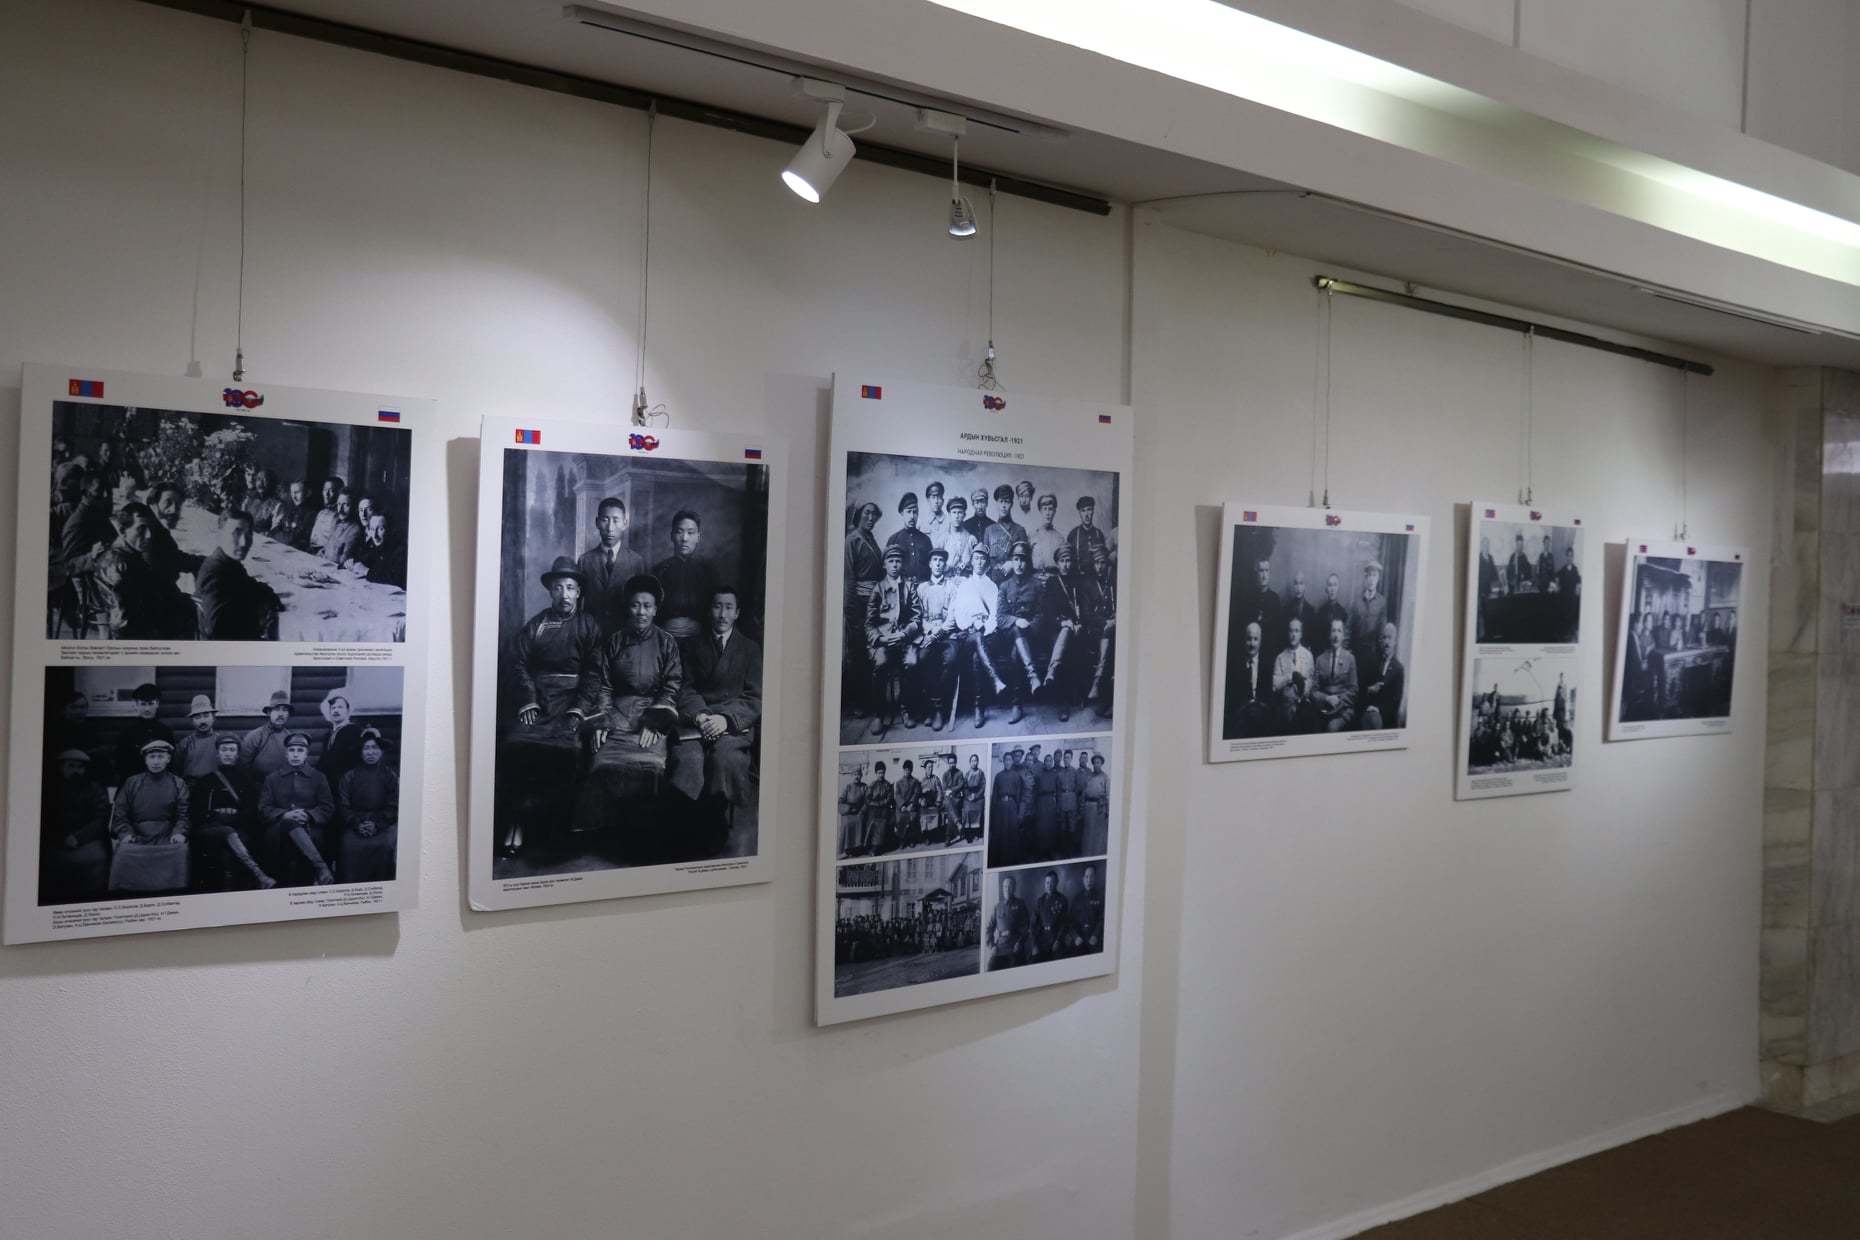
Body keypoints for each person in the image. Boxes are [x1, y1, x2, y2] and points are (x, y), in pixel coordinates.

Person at [572, 574, 685, 830]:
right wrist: (601, 721)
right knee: (602, 764)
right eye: (635, 605)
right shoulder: (614, 641)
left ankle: (643, 831)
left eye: (647, 606)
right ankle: (604, 832)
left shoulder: (667, 642)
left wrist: (655, 722)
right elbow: (604, 686)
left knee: (651, 766)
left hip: (651, 717)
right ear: (628, 607)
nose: (641, 612)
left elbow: (672, 686)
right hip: (617, 716)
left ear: (655, 609)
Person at [673, 585, 762, 847]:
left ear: (737, 613)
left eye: (728, 607)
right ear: (709, 610)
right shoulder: (691, 646)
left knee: (725, 759)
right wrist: (700, 716)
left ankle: (715, 822)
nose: (722, 614)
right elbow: (684, 688)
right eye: (717, 606)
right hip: (696, 721)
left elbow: (755, 696)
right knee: (687, 759)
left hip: (733, 725)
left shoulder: (750, 649)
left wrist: (725, 720)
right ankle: (686, 824)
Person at [83, 504, 190, 639]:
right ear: (123, 530)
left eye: (150, 528)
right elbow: (124, 623)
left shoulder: (127, 555)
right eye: (141, 529)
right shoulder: (121, 565)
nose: (149, 535)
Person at [190, 733, 275, 892]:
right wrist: (217, 816)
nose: (228, 753)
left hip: (238, 827)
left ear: (237, 754)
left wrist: (234, 817)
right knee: (225, 835)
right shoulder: (205, 781)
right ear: (218, 754)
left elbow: (253, 809)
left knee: (236, 847)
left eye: (232, 750)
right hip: (209, 829)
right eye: (224, 750)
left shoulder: (246, 780)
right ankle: (259, 876)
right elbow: (197, 811)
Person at [108, 738, 191, 893]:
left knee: (180, 851)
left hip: (166, 836)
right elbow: (120, 813)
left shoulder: (178, 783)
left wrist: (179, 832)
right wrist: (126, 834)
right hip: (137, 836)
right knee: (124, 852)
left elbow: (183, 814)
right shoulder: (132, 782)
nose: (156, 761)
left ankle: (174, 895)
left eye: (160, 756)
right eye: (152, 757)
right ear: (145, 760)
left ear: (168, 759)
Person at [260, 732, 337, 886]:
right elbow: (264, 807)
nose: (295, 754)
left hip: (310, 828)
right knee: (288, 827)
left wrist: (308, 815)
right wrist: (285, 815)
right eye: (292, 750)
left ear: (306, 754)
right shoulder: (272, 778)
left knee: (303, 875)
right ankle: (321, 868)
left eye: (300, 750)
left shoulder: (318, 777)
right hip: (278, 831)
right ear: (286, 753)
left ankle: (312, 875)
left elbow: (327, 807)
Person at [195, 510, 284, 639]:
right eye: (236, 533)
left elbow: (246, 584)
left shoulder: (228, 563)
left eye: (248, 535)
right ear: (220, 535)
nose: (244, 542)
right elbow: (217, 628)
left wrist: (267, 593)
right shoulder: (214, 572)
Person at [40, 750, 111, 904]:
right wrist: (60, 838)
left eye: (80, 767)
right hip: (56, 841)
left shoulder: (95, 789)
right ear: (61, 767)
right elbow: (43, 819)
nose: (76, 771)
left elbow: (100, 819)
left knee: (98, 858)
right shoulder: (48, 789)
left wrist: (79, 837)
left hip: (87, 840)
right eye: (70, 766)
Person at [865, 544, 919, 734]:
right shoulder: (878, 589)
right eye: (891, 561)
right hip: (884, 640)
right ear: (884, 565)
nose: (895, 565)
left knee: (911, 663)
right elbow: (869, 623)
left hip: (904, 639)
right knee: (880, 663)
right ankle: (879, 714)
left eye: (898, 561)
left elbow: (916, 618)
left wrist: (905, 634)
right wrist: (880, 639)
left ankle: (906, 709)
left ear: (902, 564)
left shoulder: (909, 587)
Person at [1042, 543, 1100, 721]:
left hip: (1078, 627)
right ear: (1057, 563)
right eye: (1062, 561)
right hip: (1058, 629)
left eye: (1068, 561)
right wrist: (1062, 622)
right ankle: (1063, 702)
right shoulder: (1052, 583)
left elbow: (1084, 607)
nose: (1066, 565)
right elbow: (1047, 611)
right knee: (1065, 650)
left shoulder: (1078, 582)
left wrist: (1080, 623)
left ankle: (1079, 694)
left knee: (1080, 648)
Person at [950, 545, 1006, 727]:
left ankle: (978, 707)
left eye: (983, 558)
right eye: (976, 558)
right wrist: (971, 625)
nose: (979, 562)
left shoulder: (992, 586)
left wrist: (985, 628)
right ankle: (995, 679)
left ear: (987, 563)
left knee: (977, 656)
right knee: (975, 641)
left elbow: (995, 615)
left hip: (987, 634)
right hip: (967, 634)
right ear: (971, 561)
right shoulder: (964, 586)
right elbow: (959, 614)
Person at [577, 497, 648, 635]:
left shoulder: (637, 561)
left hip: (625, 635)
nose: (610, 528)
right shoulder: (585, 561)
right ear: (597, 522)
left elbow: (643, 603)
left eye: (616, 520)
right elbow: (578, 604)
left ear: (625, 523)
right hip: (591, 635)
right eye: (605, 520)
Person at [336, 727, 398, 882]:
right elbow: (343, 805)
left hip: (383, 824)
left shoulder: (390, 776)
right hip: (355, 823)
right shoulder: (349, 776)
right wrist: (357, 824)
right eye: (366, 748)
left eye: (375, 748)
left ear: (381, 751)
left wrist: (377, 824)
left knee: (385, 846)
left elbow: (394, 805)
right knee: (348, 846)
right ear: (361, 752)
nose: (371, 752)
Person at [992, 542, 1045, 725]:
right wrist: (1016, 621)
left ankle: (1017, 704)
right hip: (1008, 635)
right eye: (1016, 559)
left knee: (1016, 653)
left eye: (1023, 560)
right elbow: (1000, 618)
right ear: (1012, 561)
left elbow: (1041, 615)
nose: (1019, 564)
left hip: (1030, 635)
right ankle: (1033, 676)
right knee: (1016, 630)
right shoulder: (1004, 586)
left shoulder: (1037, 585)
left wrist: (1028, 625)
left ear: (1027, 562)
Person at [843, 501, 885, 720]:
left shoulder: (870, 538)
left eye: (874, 515)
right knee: (858, 652)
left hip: (873, 602)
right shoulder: (852, 540)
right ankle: (859, 702)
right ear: (859, 514)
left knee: (872, 651)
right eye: (867, 513)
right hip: (858, 604)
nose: (871, 518)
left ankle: (872, 700)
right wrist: (851, 610)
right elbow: (849, 578)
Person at [652, 509, 719, 643]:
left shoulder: (708, 571)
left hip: (700, 640)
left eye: (690, 532)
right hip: (665, 640)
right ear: (672, 535)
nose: (684, 538)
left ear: (698, 537)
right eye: (679, 532)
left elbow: (714, 610)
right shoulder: (659, 570)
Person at [911, 548, 959, 731]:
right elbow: (919, 616)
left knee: (951, 661)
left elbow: (952, 618)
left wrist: (937, 634)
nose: (938, 563)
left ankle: (939, 708)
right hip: (927, 634)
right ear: (930, 564)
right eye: (935, 560)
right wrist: (929, 632)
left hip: (948, 636)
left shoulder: (952, 587)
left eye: (941, 560)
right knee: (923, 659)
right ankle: (933, 706)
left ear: (945, 565)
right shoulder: (921, 588)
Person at [112, 682, 174, 788]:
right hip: (134, 785)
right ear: (136, 705)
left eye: (150, 704)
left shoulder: (165, 732)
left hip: (160, 785)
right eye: (143, 704)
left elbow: (171, 763)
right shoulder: (127, 733)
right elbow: (120, 765)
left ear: (157, 704)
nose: (147, 709)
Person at [1225, 620, 1272, 738]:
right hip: (1241, 716)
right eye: (1249, 639)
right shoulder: (1235, 665)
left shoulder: (1267, 665)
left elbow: (1269, 696)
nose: (1252, 644)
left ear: (1260, 641)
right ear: (1244, 640)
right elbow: (1232, 697)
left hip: (1262, 715)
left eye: (1255, 639)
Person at [1312, 616, 1358, 732]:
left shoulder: (1350, 659)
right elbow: (1314, 690)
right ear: (1329, 635)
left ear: (1343, 636)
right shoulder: (1320, 659)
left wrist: (1338, 699)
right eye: (1333, 631)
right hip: (1324, 709)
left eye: (1339, 631)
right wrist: (1326, 698)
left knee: (1331, 728)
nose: (1336, 635)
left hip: (1343, 710)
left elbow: (1354, 690)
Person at [1357, 622, 1406, 730]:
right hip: (1367, 712)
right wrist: (1369, 690)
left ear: (1395, 641)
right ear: (1380, 641)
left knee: (1374, 721)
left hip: (1386, 718)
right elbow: (1360, 689)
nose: (1386, 642)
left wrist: (1379, 710)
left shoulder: (1398, 669)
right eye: (1384, 638)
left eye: (1390, 638)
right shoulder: (1372, 662)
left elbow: (1396, 701)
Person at [1272, 616, 1316, 732]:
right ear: (1287, 633)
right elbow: (1275, 684)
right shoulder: (1280, 657)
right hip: (1285, 704)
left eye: (1296, 631)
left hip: (1303, 703)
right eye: (1291, 631)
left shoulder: (1308, 655)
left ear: (1301, 634)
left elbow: (1311, 681)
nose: (1293, 634)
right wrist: (1289, 677)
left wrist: (1301, 690)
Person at [318, 690, 368, 791]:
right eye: (333, 708)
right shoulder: (328, 735)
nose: (336, 710)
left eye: (340, 707)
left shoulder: (355, 731)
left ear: (348, 710)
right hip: (329, 786)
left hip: (347, 786)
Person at [884, 492, 935, 585]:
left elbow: (932, 567)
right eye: (908, 512)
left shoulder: (926, 540)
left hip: (923, 587)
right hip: (901, 588)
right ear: (902, 513)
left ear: (918, 514)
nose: (912, 516)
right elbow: (887, 570)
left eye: (915, 512)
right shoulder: (893, 539)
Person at [979, 485, 1026, 579]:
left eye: (1007, 502)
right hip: (993, 579)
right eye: (1001, 501)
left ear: (1011, 504)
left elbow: (1025, 559)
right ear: (997, 503)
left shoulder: (1019, 530)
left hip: (1013, 579)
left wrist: (1012, 563)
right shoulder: (989, 530)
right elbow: (985, 559)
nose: (1004, 506)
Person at [991, 747, 1027, 866]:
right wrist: (994, 813)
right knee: (1000, 834)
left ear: (1012, 762)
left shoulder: (1017, 776)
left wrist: (1019, 813)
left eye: (1010, 760)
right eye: (1006, 760)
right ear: (1003, 761)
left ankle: (1011, 860)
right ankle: (1000, 861)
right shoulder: (998, 776)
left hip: (1012, 807)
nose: (1008, 762)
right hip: (1000, 808)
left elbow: (1020, 795)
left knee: (1011, 834)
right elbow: (995, 796)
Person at [174, 694, 223, 779]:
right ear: (192, 721)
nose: (202, 721)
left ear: (213, 718)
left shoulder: (221, 741)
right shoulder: (185, 744)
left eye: (206, 716)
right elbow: (176, 771)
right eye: (197, 717)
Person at [987, 874, 1030, 970]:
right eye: (1005, 886)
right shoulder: (997, 907)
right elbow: (989, 928)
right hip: (1000, 947)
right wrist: (992, 946)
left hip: (1015, 945)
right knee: (990, 968)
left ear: (1014, 888)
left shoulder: (1020, 904)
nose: (1007, 889)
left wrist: (1020, 942)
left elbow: (1026, 926)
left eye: (1010, 886)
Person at [1348, 560, 1389, 656]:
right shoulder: (1357, 602)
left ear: (1378, 578)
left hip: (1374, 653)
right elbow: (1348, 627)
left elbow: (1382, 631)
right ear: (1365, 578)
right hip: (1356, 651)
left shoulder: (1382, 602)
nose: (1371, 579)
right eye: (1369, 575)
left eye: (1374, 575)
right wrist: (1347, 651)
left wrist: (1381, 653)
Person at [1031, 870, 1069, 962]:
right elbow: (1033, 925)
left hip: (1056, 939)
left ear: (1057, 883)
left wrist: (1058, 940)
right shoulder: (1040, 901)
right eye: (1047, 882)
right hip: (1042, 940)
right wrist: (1034, 944)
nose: (1049, 885)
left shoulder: (1062, 899)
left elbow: (1064, 923)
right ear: (1045, 884)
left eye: (1052, 882)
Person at [320, 493, 364, 567]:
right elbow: (326, 549)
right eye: (339, 504)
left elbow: (343, 561)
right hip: (324, 564)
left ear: (354, 507)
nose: (340, 509)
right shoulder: (335, 522)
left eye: (345, 505)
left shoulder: (355, 530)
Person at [1027, 493, 1066, 577]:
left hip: (1054, 579)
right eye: (1045, 509)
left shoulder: (1060, 538)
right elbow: (1026, 562)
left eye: (1050, 509)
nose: (1047, 513)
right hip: (1035, 578)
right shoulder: (1032, 536)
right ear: (1040, 511)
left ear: (1054, 512)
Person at [1067, 495, 1109, 571]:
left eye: (1089, 510)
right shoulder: (1073, 534)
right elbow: (1068, 561)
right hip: (1078, 576)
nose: (1086, 515)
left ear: (1093, 511)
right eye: (1083, 510)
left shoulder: (1099, 534)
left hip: (1096, 576)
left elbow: (1103, 560)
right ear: (1079, 513)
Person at [862, 760, 895, 854]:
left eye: (882, 773)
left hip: (884, 808)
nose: (881, 775)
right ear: (876, 773)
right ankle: (871, 845)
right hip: (873, 809)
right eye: (879, 773)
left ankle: (878, 846)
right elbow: (867, 799)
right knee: (871, 821)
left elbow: (889, 798)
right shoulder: (872, 785)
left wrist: (883, 803)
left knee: (883, 822)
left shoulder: (887, 785)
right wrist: (876, 804)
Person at [938, 495, 977, 576]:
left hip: (967, 580)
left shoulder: (971, 539)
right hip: (947, 579)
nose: (957, 516)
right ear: (949, 515)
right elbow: (937, 563)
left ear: (964, 515)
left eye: (960, 512)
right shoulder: (943, 538)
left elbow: (976, 564)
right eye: (954, 512)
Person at [1080, 754, 1110, 857]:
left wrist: (1107, 811)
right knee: (1088, 833)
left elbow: (1108, 796)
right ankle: (1087, 855)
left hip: (1099, 808)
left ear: (1101, 764)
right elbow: (1084, 794)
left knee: (1098, 834)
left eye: (1098, 763)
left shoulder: (1105, 777)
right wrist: (1082, 808)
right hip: (1089, 807)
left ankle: (1097, 855)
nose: (1096, 765)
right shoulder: (1088, 777)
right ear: (1092, 764)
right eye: (1094, 763)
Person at [1072, 864, 1105, 956]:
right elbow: (1070, 921)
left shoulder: (1101, 897)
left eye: (1091, 876)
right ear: (1083, 879)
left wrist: (1095, 935)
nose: (1089, 880)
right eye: (1086, 877)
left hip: (1095, 938)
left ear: (1095, 879)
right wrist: (1075, 936)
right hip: (1080, 939)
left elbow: (1102, 919)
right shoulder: (1076, 898)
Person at [307, 476, 346, 555]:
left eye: (331, 491)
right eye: (325, 490)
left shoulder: (339, 516)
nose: (326, 494)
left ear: (339, 493)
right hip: (311, 551)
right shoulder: (321, 513)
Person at [837, 766, 868, 857]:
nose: (856, 777)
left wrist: (862, 811)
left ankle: (857, 848)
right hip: (849, 812)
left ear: (861, 776)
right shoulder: (848, 787)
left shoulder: (864, 787)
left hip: (859, 812)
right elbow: (841, 800)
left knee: (860, 821)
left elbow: (867, 801)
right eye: (854, 774)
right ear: (851, 776)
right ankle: (847, 849)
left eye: (858, 775)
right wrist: (848, 808)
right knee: (847, 824)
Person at [1055, 750, 1080, 854]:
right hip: (1062, 801)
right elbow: (1057, 790)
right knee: (1063, 827)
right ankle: (1063, 851)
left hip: (1072, 800)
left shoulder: (1075, 772)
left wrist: (1076, 803)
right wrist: (1058, 804)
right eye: (1065, 758)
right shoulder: (1059, 774)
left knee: (1072, 826)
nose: (1066, 760)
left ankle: (1071, 851)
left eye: (1068, 758)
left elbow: (1078, 789)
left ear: (1071, 759)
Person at [893, 760, 921, 849]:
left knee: (913, 818)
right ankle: (902, 840)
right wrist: (902, 805)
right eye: (905, 770)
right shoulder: (899, 782)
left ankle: (911, 840)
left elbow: (916, 793)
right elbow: (897, 795)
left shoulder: (915, 781)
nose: (907, 772)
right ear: (903, 770)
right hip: (901, 807)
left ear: (911, 770)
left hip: (911, 806)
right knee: (900, 818)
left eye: (909, 770)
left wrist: (911, 804)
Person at [939, 752, 965, 845]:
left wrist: (951, 791)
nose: (951, 765)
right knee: (948, 803)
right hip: (948, 799)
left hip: (957, 799)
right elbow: (944, 787)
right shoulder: (945, 774)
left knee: (950, 810)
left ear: (956, 763)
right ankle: (958, 824)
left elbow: (961, 785)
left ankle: (948, 837)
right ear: (948, 763)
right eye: (950, 763)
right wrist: (949, 792)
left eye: (953, 762)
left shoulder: (960, 773)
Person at [1476, 535, 1499, 640]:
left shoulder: (1490, 557)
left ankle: (1491, 632)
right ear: (1482, 546)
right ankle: (1483, 635)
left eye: (1488, 545)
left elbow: (1494, 573)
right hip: (1481, 591)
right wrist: (1481, 591)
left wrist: (1498, 581)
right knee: (1483, 612)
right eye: (1485, 545)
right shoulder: (1478, 559)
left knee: (1493, 609)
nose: (1486, 547)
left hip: (1490, 589)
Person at [962, 751, 986, 842]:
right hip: (968, 797)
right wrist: (969, 796)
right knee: (967, 810)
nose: (974, 762)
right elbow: (965, 787)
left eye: (975, 760)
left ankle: (976, 833)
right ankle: (969, 833)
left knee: (978, 810)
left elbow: (983, 786)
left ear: (977, 762)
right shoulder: (967, 774)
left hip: (978, 796)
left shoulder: (981, 773)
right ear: (970, 762)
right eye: (972, 761)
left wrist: (976, 796)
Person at [921, 480, 948, 549]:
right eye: (933, 497)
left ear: (943, 500)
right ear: (928, 500)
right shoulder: (921, 523)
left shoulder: (949, 522)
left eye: (939, 497)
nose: (936, 501)